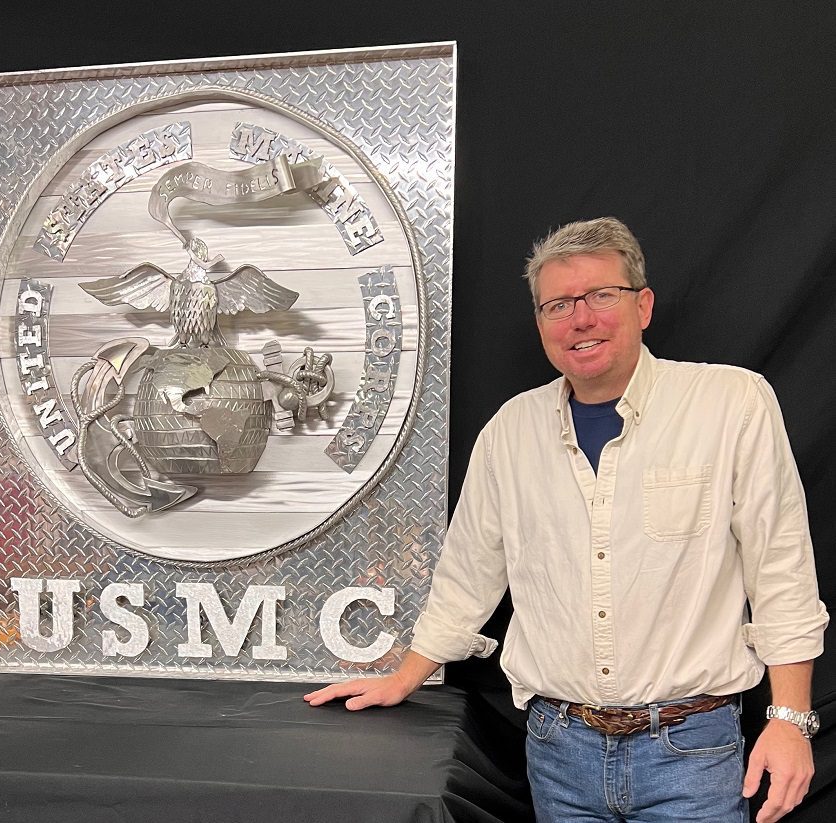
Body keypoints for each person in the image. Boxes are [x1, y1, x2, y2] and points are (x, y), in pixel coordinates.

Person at [305, 217, 828, 822]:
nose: (581, 319)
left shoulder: (732, 405)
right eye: (559, 305)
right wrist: (405, 677)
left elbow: (781, 572)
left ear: (644, 306)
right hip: (559, 750)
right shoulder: (510, 432)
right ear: (541, 325)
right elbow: (470, 574)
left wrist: (790, 721)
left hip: (692, 749)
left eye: (602, 296)